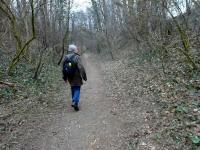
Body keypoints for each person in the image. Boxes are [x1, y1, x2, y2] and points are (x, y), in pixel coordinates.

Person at [62, 44, 87, 111]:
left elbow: (64, 68)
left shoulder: (66, 57)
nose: (77, 50)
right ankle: (75, 101)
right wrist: (84, 76)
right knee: (77, 88)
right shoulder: (77, 57)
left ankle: (74, 102)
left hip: (69, 75)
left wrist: (65, 78)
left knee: (73, 87)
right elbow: (80, 67)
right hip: (76, 75)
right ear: (74, 50)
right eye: (76, 49)